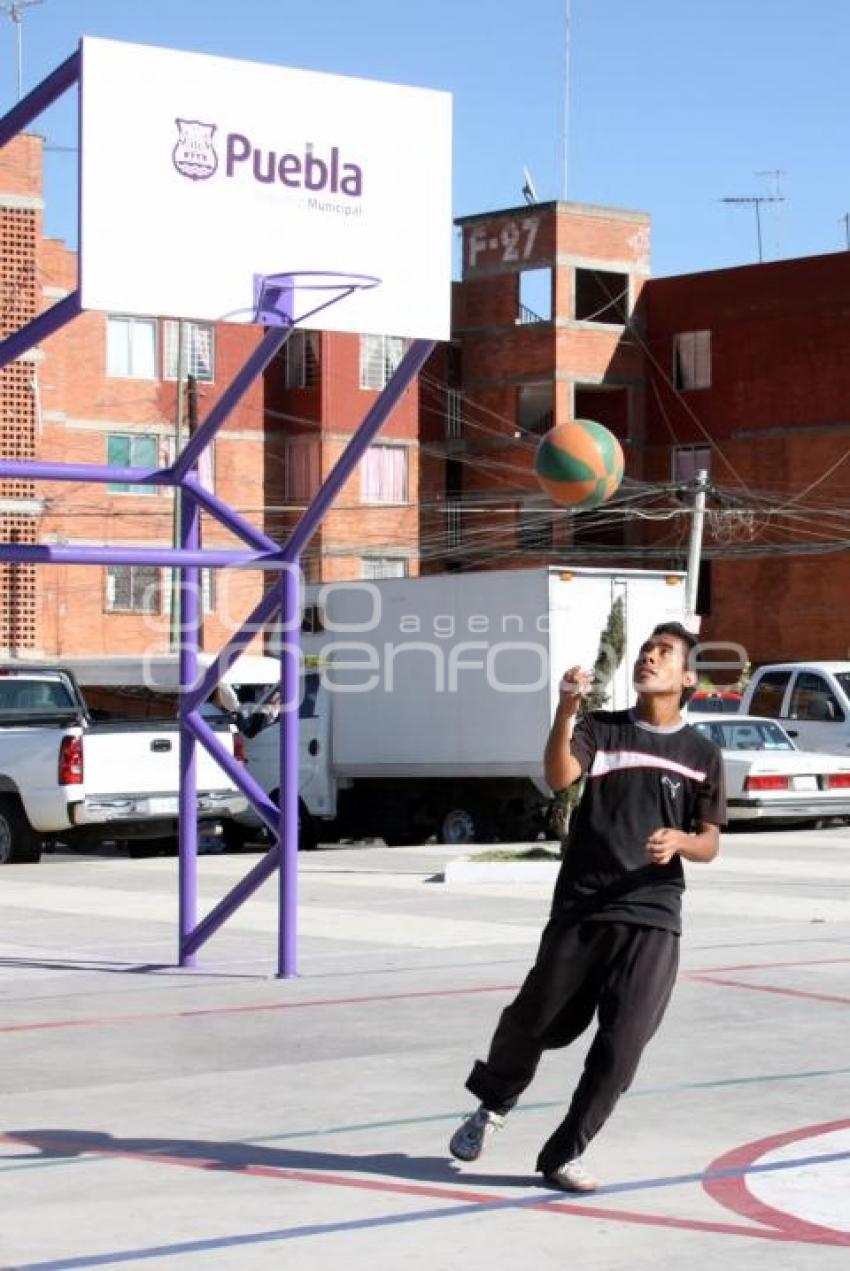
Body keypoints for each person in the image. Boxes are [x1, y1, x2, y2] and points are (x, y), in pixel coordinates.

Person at [448, 622, 725, 1193]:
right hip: (582, 907)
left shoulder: (702, 754)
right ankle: (493, 1105)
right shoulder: (602, 729)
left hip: (652, 915)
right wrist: (566, 709)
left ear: (687, 677)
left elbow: (711, 841)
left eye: (663, 653)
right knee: (534, 1020)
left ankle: (562, 1154)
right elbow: (559, 778)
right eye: (646, 650)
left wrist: (680, 842)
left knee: (623, 1045)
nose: (649, 657)